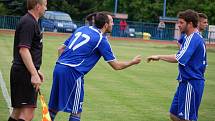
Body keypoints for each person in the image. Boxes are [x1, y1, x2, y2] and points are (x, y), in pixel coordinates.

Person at [48, 12, 141, 121]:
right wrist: (132, 62)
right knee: (76, 111)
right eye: (111, 22)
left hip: (59, 68)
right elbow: (116, 66)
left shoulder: (82, 29)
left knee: (53, 108)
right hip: (73, 72)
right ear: (106, 25)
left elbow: (60, 49)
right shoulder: (101, 39)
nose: (113, 24)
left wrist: (64, 65)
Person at [147, 9, 207, 121]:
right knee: (174, 115)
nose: (178, 25)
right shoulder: (189, 38)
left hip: (191, 83)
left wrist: (159, 56)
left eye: (181, 23)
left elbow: (179, 58)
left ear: (190, 24)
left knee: (187, 118)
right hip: (185, 82)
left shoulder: (193, 38)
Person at [8, 0, 47, 121]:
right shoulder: (29, 22)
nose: (46, 8)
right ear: (38, 6)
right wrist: (34, 74)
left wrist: (36, 70)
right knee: (27, 114)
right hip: (24, 73)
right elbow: (23, 50)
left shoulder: (30, 21)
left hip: (23, 71)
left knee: (17, 112)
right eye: (45, 5)